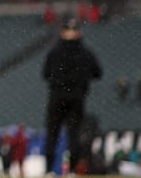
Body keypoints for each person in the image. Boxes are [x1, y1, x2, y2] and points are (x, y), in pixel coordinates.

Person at [42, 18, 102, 175]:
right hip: (77, 98)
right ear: (78, 33)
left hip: (57, 97)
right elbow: (97, 73)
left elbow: (46, 74)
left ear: (62, 32)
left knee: (52, 133)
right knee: (73, 134)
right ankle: (72, 170)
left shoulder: (54, 52)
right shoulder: (86, 52)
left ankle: (49, 170)